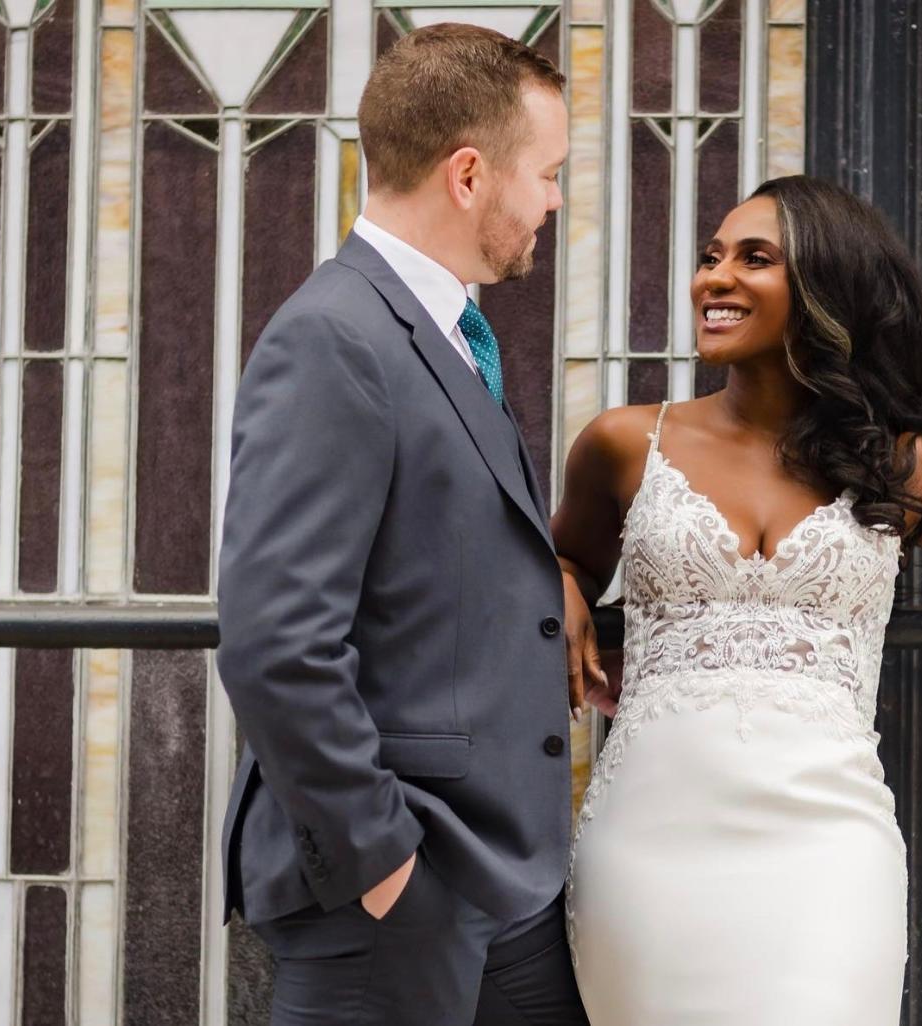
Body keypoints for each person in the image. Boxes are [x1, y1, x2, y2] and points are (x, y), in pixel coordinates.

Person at [556, 175, 922, 1024]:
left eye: (753, 259)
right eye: (710, 258)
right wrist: (560, 587)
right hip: (647, 846)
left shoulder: (903, 464)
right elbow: (562, 559)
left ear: (821, 291)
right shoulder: (626, 441)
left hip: (826, 850)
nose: (714, 278)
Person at [216, 24, 587, 1026]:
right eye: (546, 173)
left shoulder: (438, 329)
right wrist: (384, 866)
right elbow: (275, 643)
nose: (554, 198)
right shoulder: (334, 338)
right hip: (396, 899)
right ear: (469, 174)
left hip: (500, 888)